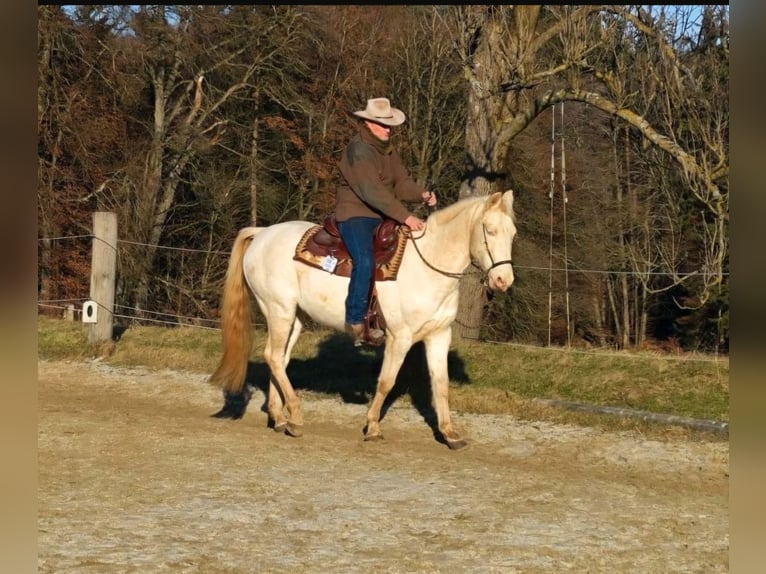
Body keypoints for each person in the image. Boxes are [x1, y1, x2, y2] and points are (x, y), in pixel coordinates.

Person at [334, 97, 438, 346]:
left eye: (390, 124)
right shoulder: (358, 150)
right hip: (355, 214)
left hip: (382, 215)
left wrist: (421, 193)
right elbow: (372, 191)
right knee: (366, 259)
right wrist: (406, 217)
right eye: (383, 124)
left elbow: (401, 183)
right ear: (368, 123)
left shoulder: (388, 150)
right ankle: (356, 319)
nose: (388, 128)